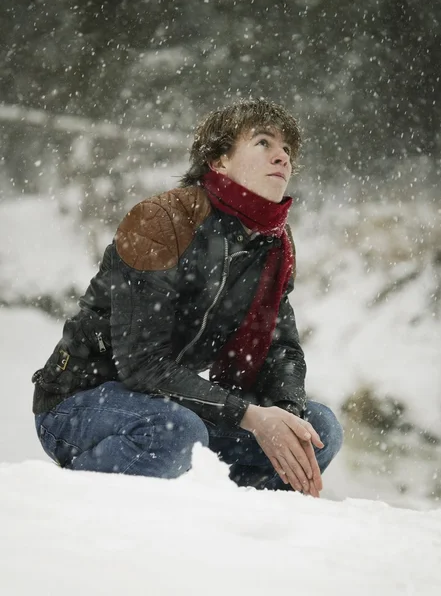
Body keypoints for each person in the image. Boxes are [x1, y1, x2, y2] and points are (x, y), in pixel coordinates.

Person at [32, 99, 343, 497]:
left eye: (288, 150)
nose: (282, 156)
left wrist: (285, 417)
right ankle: (73, 497)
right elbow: (141, 365)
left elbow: (280, 348)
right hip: (79, 400)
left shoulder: (274, 246)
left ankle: (229, 518)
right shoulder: (161, 222)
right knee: (177, 433)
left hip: (170, 402)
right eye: (264, 142)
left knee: (316, 432)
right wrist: (248, 416)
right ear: (219, 160)